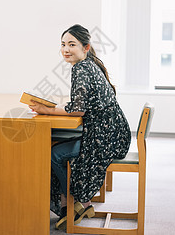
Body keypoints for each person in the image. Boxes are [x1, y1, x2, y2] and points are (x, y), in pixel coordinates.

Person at [28, 24, 132, 230]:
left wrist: (46, 110)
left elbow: (77, 111)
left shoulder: (82, 68)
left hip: (106, 138)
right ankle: (76, 202)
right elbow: (81, 106)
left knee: (55, 153)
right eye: (63, 44)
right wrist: (49, 108)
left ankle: (77, 202)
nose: (65, 49)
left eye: (71, 44)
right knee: (59, 145)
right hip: (112, 133)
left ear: (85, 47)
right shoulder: (89, 64)